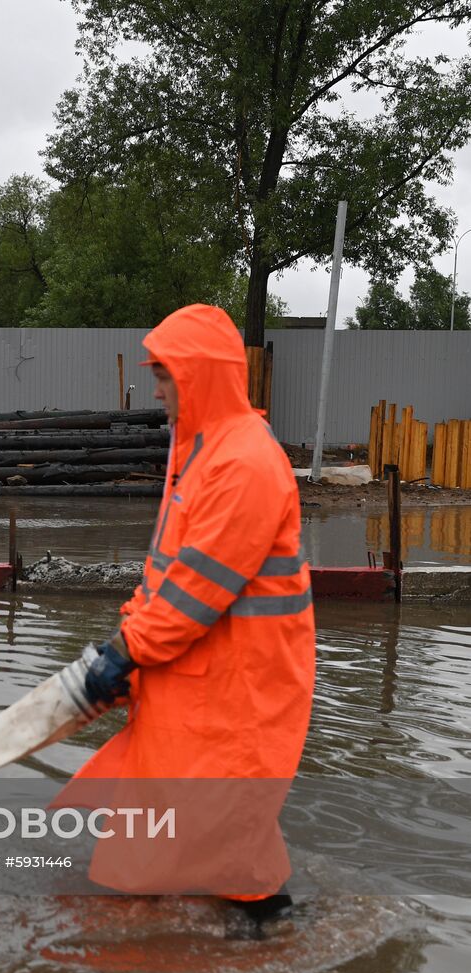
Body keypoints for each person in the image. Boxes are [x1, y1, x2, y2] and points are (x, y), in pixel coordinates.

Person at [57, 303, 316, 935]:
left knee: (217, 833)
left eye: (166, 375)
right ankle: (248, 946)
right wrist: (122, 638)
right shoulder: (204, 458)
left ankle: (260, 945)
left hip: (235, 693)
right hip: (199, 686)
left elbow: (196, 591)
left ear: (200, 376)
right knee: (189, 835)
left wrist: (127, 649)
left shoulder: (242, 464)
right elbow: (164, 574)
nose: (156, 390)